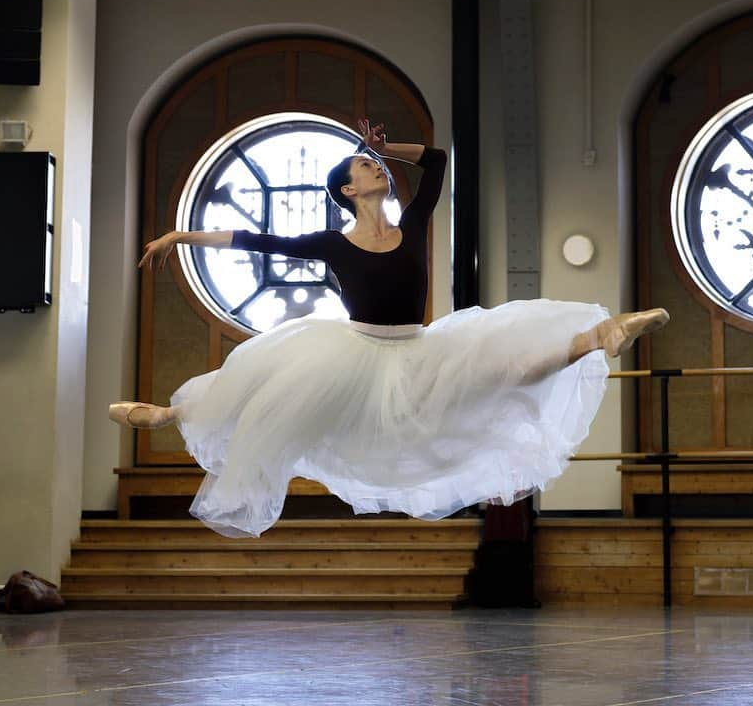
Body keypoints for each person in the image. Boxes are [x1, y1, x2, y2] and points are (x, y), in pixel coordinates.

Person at [110, 118, 669, 538]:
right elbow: (257, 240)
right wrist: (180, 238)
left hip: (419, 348)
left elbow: (438, 160)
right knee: (265, 389)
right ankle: (171, 414)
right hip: (355, 352)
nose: (375, 169)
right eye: (364, 167)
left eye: (374, 165)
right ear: (347, 192)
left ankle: (600, 336)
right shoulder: (332, 242)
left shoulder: (414, 222)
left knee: (506, 366)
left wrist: (384, 148)